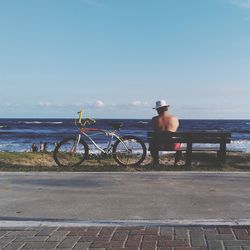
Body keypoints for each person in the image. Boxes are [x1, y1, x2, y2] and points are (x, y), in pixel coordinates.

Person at [150, 100, 182, 165]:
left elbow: (155, 130)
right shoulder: (175, 118)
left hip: (159, 145)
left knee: (152, 143)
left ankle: (156, 162)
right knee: (180, 143)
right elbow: (175, 129)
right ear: (166, 108)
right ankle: (176, 163)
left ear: (158, 109)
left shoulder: (154, 119)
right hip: (173, 145)